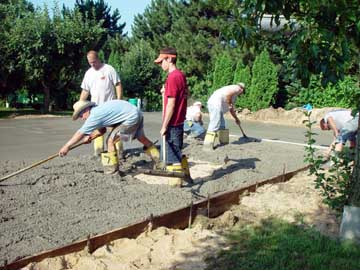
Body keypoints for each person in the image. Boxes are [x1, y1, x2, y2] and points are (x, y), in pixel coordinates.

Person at [59, 100, 159, 174]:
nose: (81, 118)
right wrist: (90, 137)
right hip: (136, 113)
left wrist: (67, 146)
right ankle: (159, 161)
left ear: (85, 110)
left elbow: (80, 133)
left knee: (110, 141)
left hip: (130, 117)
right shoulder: (97, 111)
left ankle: (112, 170)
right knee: (140, 137)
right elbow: (102, 130)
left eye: (80, 116)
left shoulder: (94, 115)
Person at [154, 47, 190, 186]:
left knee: (172, 155)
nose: (160, 64)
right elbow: (184, 94)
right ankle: (184, 176)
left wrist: (164, 126)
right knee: (176, 150)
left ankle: (175, 184)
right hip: (179, 120)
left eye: (161, 61)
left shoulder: (173, 77)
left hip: (173, 122)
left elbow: (171, 104)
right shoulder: (180, 75)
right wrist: (165, 92)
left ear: (169, 59)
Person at [79, 50, 123, 156]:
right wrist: (80, 106)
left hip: (111, 106)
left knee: (115, 129)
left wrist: (119, 100)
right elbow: (85, 91)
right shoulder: (88, 73)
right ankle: (98, 151)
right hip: (96, 108)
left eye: (94, 62)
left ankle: (119, 151)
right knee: (98, 129)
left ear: (98, 59)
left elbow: (118, 84)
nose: (92, 64)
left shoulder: (109, 69)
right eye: (90, 63)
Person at [204, 83, 245, 149]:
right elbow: (228, 95)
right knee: (214, 124)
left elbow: (231, 109)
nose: (241, 94)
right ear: (242, 89)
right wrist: (229, 104)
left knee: (222, 125)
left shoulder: (234, 95)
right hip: (216, 105)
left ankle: (224, 142)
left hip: (216, 106)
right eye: (243, 92)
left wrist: (236, 118)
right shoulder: (237, 88)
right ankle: (207, 145)